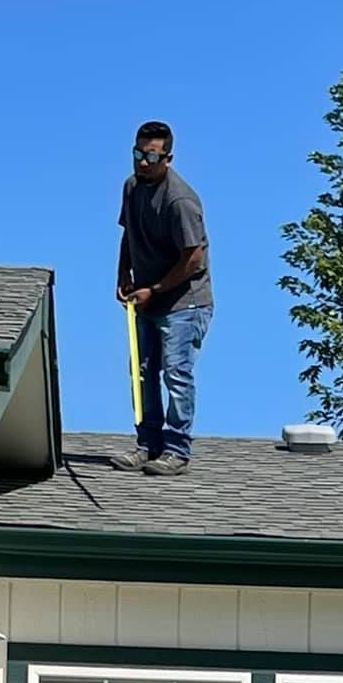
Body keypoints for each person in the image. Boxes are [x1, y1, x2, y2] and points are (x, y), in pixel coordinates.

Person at [115, 121, 212, 476]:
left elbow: (193, 258)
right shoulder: (131, 188)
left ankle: (177, 450)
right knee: (141, 372)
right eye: (138, 154)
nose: (142, 162)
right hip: (145, 298)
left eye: (151, 156)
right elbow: (130, 235)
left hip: (185, 303)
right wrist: (123, 276)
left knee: (176, 372)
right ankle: (148, 443)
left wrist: (154, 290)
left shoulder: (180, 200)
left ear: (167, 158)